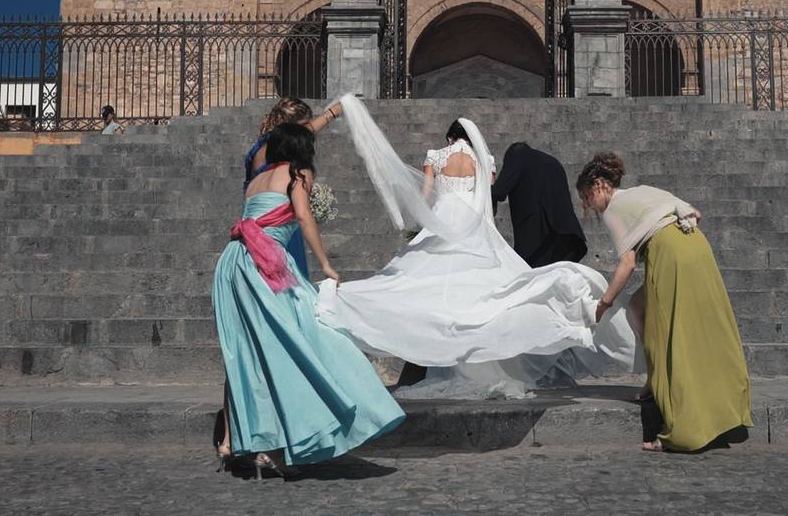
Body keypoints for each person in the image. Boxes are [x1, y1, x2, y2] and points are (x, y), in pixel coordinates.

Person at [315, 96, 637, 400]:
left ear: (449, 138)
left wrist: (422, 218)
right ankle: (479, 360)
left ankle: (419, 357)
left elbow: (425, 196)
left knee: (420, 288)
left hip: (441, 223)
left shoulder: (436, 156)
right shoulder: (483, 160)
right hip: (473, 227)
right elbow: (489, 196)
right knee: (483, 295)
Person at [214, 123, 404, 477]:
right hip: (265, 264)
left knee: (249, 351)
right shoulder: (298, 174)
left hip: (233, 263)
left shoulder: (258, 178)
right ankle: (308, 428)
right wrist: (327, 265)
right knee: (308, 335)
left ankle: (251, 444)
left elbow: (255, 218)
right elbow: (302, 217)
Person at [576, 152, 753, 452]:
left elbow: (627, 264)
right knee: (642, 310)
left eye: (586, 197)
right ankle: (658, 379)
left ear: (599, 186)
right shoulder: (644, 191)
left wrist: (603, 304)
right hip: (696, 245)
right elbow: (695, 212)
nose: (587, 206)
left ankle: (683, 427)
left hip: (670, 253)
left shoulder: (614, 209)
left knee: (671, 334)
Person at [244, 97, 344, 278]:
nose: (308, 130)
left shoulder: (271, 145)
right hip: (275, 227)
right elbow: (303, 215)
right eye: (304, 125)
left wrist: (337, 110)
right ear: (291, 126)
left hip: (263, 226)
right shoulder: (274, 153)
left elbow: (310, 129)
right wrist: (325, 264)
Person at [492, 142, 587, 268]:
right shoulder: (552, 161)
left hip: (539, 238)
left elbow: (500, 191)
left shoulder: (516, 154)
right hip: (568, 239)